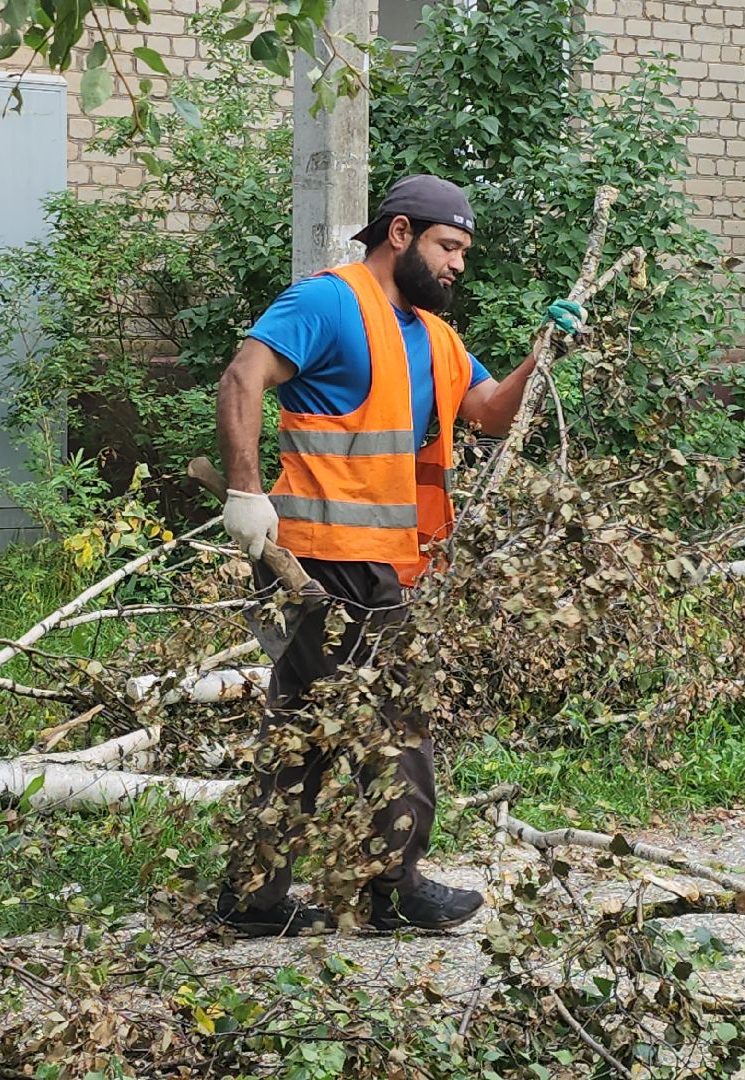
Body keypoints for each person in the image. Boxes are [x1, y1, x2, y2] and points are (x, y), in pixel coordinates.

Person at [212, 175, 586, 936]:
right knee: (394, 716)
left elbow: (488, 414)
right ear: (401, 233)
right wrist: (245, 492)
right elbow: (243, 376)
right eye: (449, 247)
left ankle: (253, 896)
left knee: (307, 721)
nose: (457, 265)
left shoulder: (436, 338)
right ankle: (396, 888)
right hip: (322, 558)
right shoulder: (330, 302)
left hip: (380, 560)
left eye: (464, 252)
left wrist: (540, 358)